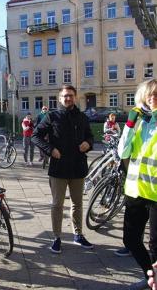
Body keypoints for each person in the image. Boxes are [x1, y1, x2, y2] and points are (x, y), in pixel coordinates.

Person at [32, 85, 94, 253]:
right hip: (59, 168)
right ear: (60, 99)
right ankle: (57, 237)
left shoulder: (82, 117)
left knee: (78, 204)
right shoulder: (52, 116)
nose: (68, 98)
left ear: (75, 97)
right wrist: (50, 150)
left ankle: (78, 235)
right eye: (65, 96)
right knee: (57, 205)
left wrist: (88, 143)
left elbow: (90, 136)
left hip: (78, 167)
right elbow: (35, 136)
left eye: (71, 95)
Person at [118, 79, 157, 290]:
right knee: (130, 239)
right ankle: (150, 275)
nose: (153, 98)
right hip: (135, 190)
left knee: (155, 246)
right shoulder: (139, 120)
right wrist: (130, 125)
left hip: (156, 194)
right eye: (149, 94)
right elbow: (122, 152)